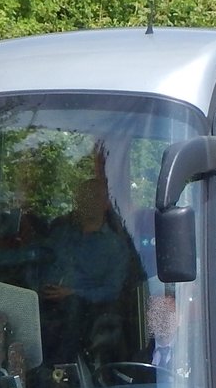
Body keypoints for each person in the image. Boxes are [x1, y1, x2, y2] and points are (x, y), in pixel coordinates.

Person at [39, 142, 144, 369]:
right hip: (43, 305)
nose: (86, 202)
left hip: (86, 317)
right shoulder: (60, 233)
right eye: (82, 197)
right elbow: (38, 259)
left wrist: (73, 292)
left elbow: (113, 290)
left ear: (106, 203)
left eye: (93, 197)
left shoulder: (115, 247)